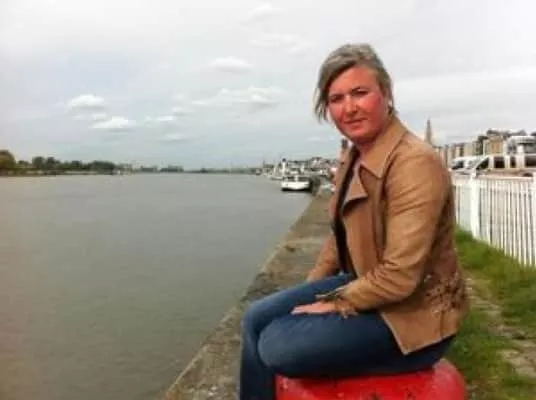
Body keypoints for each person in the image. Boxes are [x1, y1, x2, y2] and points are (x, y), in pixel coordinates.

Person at [239, 43, 469, 400]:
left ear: (386, 93)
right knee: (256, 318)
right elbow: (339, 238)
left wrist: (333, 304)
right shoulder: (354, 157)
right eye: (336, 99)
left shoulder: (413, 163)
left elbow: (400, 276)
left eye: (360, 93)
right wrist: (309, 294)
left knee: (276, 345)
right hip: (368, 285)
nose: (349, 108)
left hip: (412, 319)